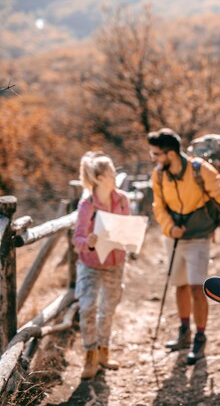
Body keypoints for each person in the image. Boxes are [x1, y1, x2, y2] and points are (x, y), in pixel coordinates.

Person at [148, 128, 220, 364]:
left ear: (170, 153)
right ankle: (184, 333)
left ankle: (200, 338)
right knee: (180, 286)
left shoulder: (200, 170)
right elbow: (158, 206)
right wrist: (171, 227)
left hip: (198, 236)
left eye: (157, 154)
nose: (155, 159)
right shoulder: (159, 175)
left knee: (196, 286)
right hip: (174, 237)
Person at [73, 151, 130, 379]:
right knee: (87, 307)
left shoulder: (123, 200)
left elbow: (127, 228)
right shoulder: (87, 205)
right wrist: (89, 241)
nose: (115, 175)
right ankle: (90, 355)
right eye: (110, 172)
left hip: (115, 263)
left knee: (108, 309)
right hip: (90, 264)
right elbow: (77, 239)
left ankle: (104, 352)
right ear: (98, 178)